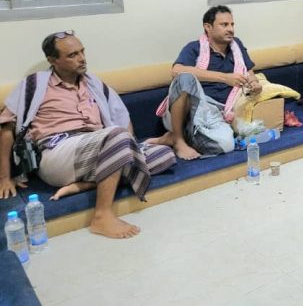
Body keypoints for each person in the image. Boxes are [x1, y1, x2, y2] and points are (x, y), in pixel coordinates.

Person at [0, 31, 176, 238]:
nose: (82, 58)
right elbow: (6, 127)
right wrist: (5, 177)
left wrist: (129, 148)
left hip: (100, 148)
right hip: (57, 154)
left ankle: (82, 186)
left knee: (165, 155)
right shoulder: (34, 84)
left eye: (82, 52)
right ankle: (102, 216)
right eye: (72, 55)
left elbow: (122, 121)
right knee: (118, 137)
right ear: (53, 60)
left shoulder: (94, 84)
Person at [150, 6, 261, 160]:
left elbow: (249, 71)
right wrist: (224, 78)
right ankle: (179, 140)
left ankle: (173, 137)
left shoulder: (237, 46)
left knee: (226, 145)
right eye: (224, 25)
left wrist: (254, 83)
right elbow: (176, 70)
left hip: (216, 114)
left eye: (232, 24)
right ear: (208, 27)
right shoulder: (194, 47)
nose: (230, 29)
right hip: (191, 108)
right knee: (185, 77)